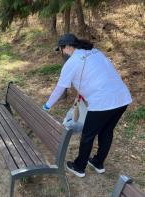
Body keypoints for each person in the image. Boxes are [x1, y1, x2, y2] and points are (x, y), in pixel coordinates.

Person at [42, 33, 132, 177]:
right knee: (107, 131)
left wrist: (47, 105)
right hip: (122, 98)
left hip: (103, 102)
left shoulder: (72, 62)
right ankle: (98, 162)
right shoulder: (95, 52)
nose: (62, 53)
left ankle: (79, 167)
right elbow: (99, 74)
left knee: (88, 135)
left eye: (61, 49)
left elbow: (60, 87)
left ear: (67, 47)